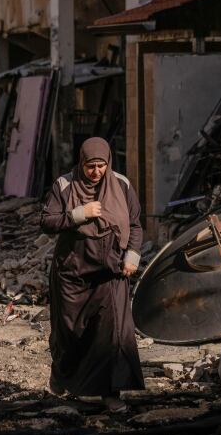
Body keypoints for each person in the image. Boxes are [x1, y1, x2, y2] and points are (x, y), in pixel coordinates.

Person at [39, 137, 144, 413]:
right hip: (73, 270)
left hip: (111, 270)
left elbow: (135, 225)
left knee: (114, 334)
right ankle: (62, 374)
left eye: (101, 166)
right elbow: (47, 222)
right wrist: (77, 214)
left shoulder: (121, 184)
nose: (96, 172)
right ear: (81, 163)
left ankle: (111, 393)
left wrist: (132, 256)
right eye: (90, 166)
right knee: (70, 332)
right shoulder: (64, 185)